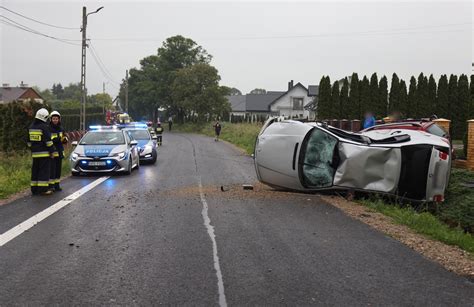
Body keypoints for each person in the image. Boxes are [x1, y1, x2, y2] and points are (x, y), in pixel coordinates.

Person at [27, 108, 55, 196]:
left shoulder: (31, 127)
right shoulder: (44, 127)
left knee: (35, 171)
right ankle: (43, 190)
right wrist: (52, 152)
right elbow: (48, 142)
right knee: (44, 172)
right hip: (44, 154)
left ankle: (34, 189)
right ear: (44, 117)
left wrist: (33, 149)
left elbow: (28, 142)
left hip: (35, 154)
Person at [49, 111, 67, 191]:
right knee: (52, 170)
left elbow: (64, 137)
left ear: (59, 119)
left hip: (59, 152)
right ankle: (51, 186)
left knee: (58, 170)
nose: (55, 120)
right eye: (53, 119)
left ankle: (57, 185)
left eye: (56, 119)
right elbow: (50, 140)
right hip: (52, 153)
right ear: (51, 119)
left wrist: (65, 140)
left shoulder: (61, 128)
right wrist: (59, 139)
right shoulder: (48, 128)